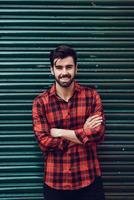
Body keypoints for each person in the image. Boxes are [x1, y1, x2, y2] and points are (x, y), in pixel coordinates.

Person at [32, 45, 105, 200]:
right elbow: (44, 142)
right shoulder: (40, 103)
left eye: (69, 67)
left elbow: (98, 134)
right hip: (55, 182)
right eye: (59, 67)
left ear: (76, 69)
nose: (64, 72)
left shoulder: (92, 96)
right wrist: (83, 133)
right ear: (52, 70)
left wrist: (59, 132)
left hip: (89, 180)